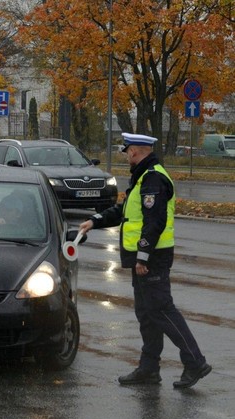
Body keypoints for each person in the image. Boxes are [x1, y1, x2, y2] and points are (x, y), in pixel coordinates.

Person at [79, 132, 212, 389]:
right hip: (144, 258)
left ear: (134, 152)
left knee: (161, 310)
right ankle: (149, 369)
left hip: (152, 258)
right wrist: (94, 221)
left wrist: (143, 256)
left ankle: (195, 361)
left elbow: (155, 222)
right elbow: (125, 211)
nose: (127, 156)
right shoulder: (142, 178)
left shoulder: (153, 179)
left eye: (127, 152)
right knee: (147, 314)